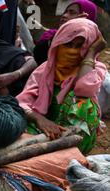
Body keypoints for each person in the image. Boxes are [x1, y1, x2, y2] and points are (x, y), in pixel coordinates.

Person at [17, 19, 107, 154]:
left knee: (83, 102)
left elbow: (84, 89)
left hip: (74, 133)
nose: (72, 52)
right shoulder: (44, 70)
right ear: (57, 44)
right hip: (45, 128)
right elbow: (21, 103)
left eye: (80, 47)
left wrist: (91, 53)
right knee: (17, 126)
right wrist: (40, 119)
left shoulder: (96, 68)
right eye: (68, 44)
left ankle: (70, 152)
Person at [33, 0, 98, 66]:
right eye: (65, 12)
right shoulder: (51, 34)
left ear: (86, 18)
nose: (64, 15)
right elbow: (38, 57)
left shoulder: (91, 44)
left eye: (72, 13)